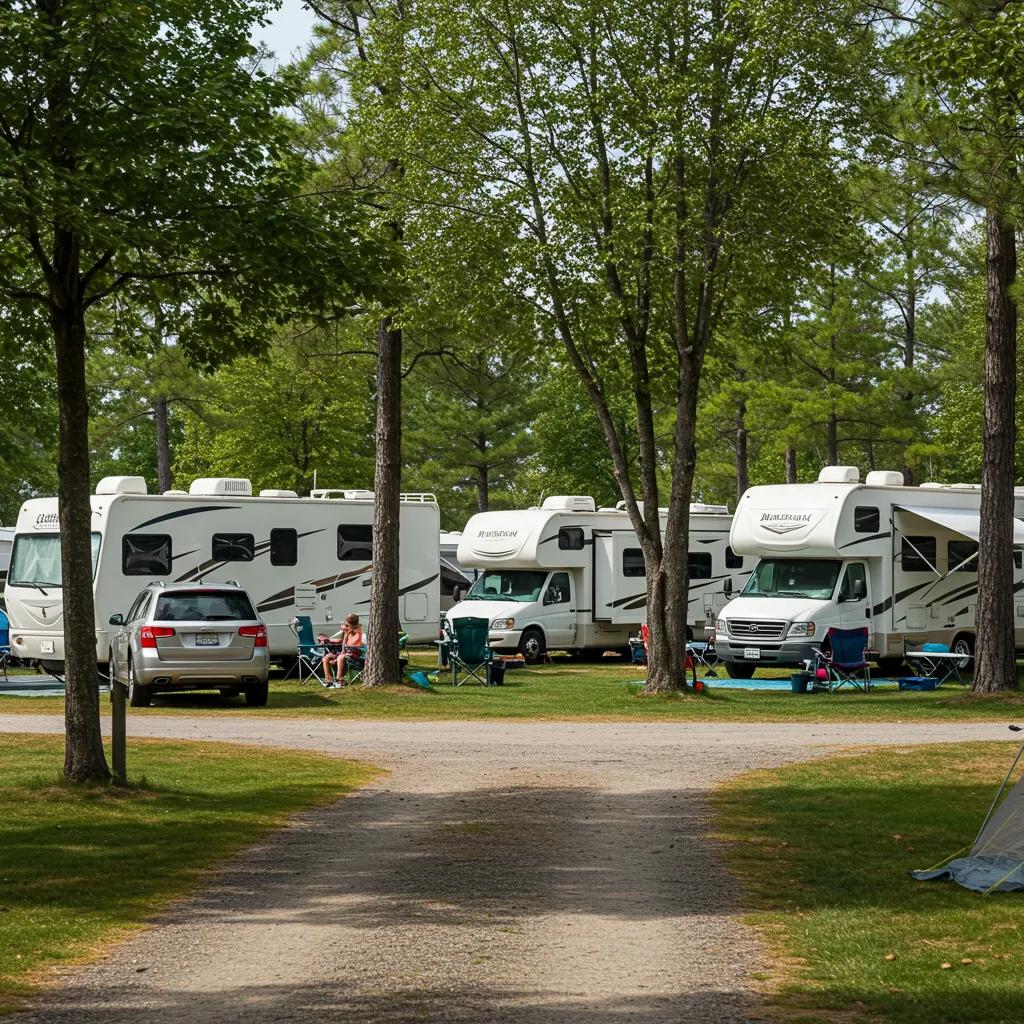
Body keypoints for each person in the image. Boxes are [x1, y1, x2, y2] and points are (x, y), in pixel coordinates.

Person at [319, 613, 364, 686]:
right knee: (326, 658)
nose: (345, 627)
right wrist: (329, 640)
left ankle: (339, 680)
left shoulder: (357, 632)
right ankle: (329, 680)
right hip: (344, 652)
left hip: (354, 653)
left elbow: (353, 645)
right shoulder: (348, 632)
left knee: (340, 657)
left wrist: (346, 633)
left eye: (347, 625)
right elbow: (342, 642)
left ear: (352, 625)